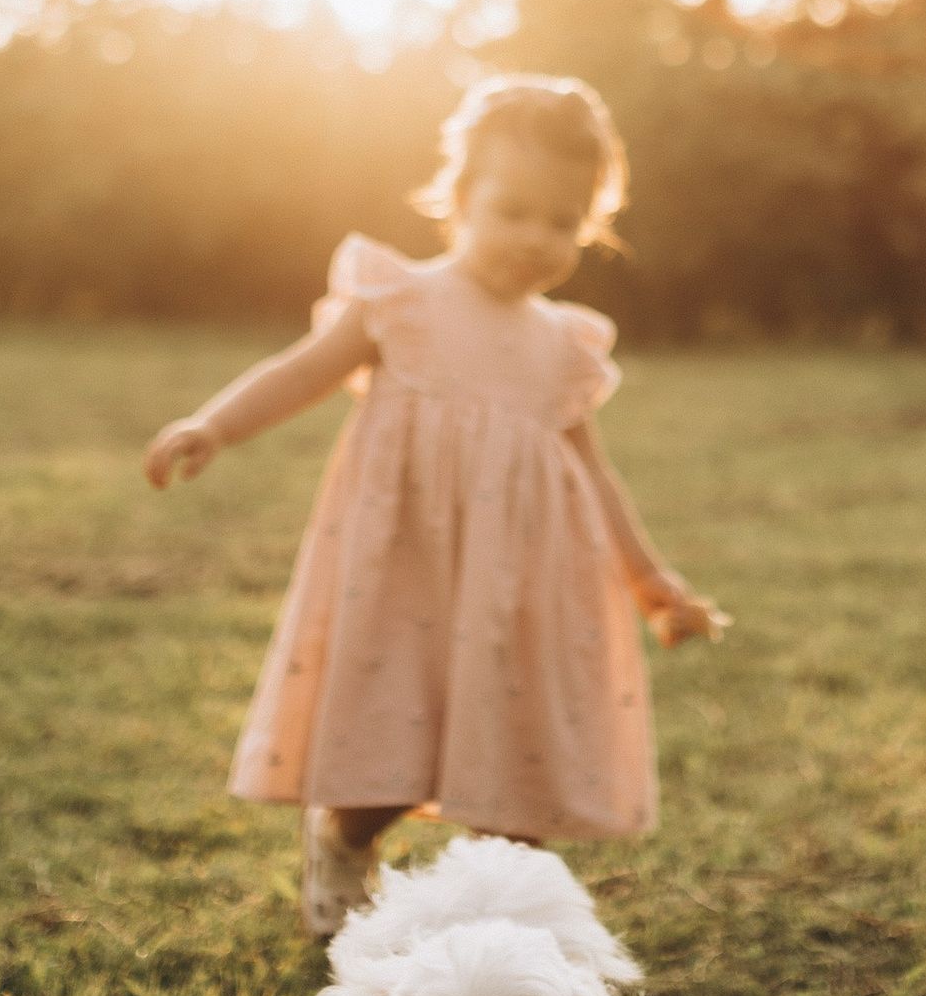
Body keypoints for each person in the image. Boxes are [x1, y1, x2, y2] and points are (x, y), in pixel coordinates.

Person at [142, 74, 726, 934]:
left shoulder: (562, 346)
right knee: (387, 750)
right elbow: (303, 370)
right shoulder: (400, 299)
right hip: (405, 572)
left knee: (516, 775)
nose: (536, 238)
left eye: (563, 221)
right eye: (513, 210)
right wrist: (214, 425)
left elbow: (596, 475)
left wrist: (651, 580)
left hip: (515, 587)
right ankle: (344, 842)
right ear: (457, 198)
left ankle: (507, 928)